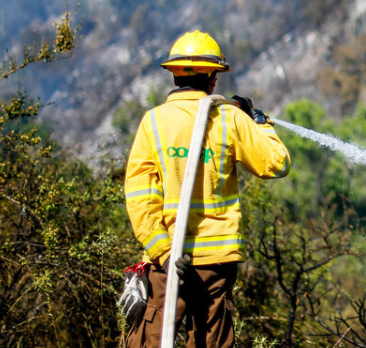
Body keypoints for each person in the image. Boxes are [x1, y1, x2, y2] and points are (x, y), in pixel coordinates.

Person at [124, 30, 291, 348]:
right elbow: (277, 164)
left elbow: (139, 195)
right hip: (216, 264)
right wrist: (260, 123)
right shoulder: (231, 118)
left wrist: (162, 250)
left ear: (174, 75)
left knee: (153, 338)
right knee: (211, 342)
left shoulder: (154, 122)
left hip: (166, 261)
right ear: (213, 78)